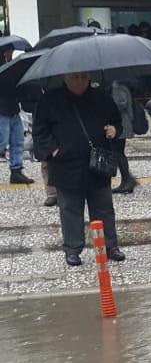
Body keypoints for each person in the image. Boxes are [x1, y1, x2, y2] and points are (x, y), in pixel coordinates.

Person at [32, 72, 126, 266]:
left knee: (104, 208)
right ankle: (73, 248)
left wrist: (114, 130)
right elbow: (40, 130)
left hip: (97, 164)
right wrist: (53, 150)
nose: (80, 81)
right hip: (66, 165)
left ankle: (109, 245)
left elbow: (116, 121)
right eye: (75, 77)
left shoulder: (101, 97)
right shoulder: (51, 99)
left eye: (84, 77)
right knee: (70, 209)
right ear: (65, 77)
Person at [2, 62, 35, 185]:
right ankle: (16, 171)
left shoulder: (12, 66)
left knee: (18, 141)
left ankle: (16, 171)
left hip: (13, 108)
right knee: (2, 141)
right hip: (2, 109)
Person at [108, 80, 139, 194]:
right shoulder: (118, 85)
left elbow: (121, 103)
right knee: (118, 152)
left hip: (122, 125)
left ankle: (127, 180)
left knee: (118, 153)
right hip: (121, 125)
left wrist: (108, 102)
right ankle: (127, 179)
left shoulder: (117, 86)